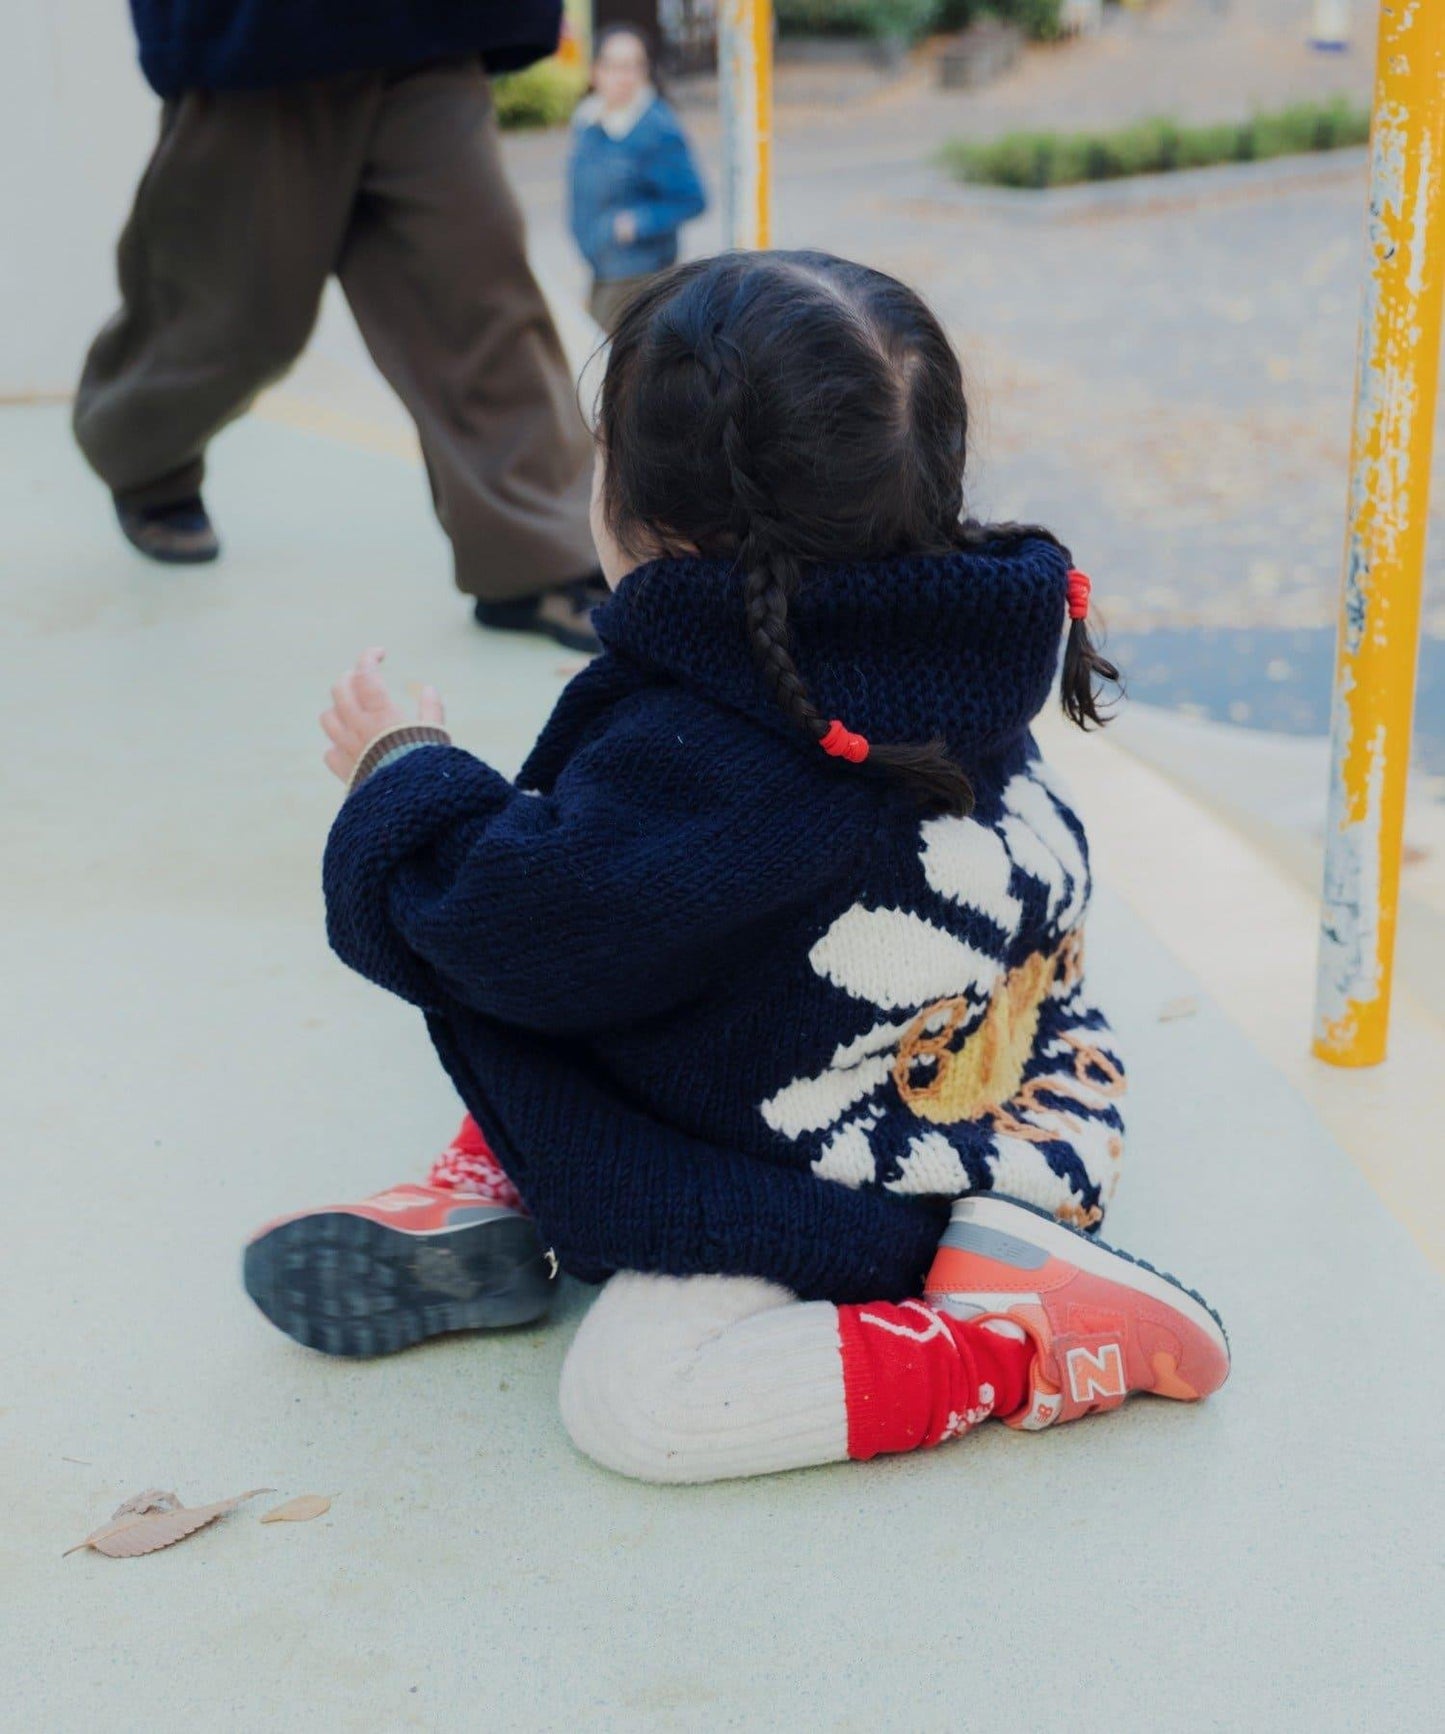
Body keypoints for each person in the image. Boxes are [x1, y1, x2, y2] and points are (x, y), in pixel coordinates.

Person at [244, 251, 1230, 1482]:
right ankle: (505, 1189)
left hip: (882, 1173)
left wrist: (403, 767)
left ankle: (1010, 1335)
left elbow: (509, 923)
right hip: (1009, 1055)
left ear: (649, 525)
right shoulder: (934, 641)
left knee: (639, 1402)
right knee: (608, 973)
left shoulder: (717, 763)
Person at [75, 1, 604, 653]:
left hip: (429, 33)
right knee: (233, 318)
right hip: (256, 40)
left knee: (476, 290)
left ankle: (535, 554)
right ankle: (144, 457)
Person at [568, 26, 706, 334]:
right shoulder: (588, 120)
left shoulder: (657, 128)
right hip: (600, 268)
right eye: (615, 66)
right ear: (596, 71)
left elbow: (693, 199)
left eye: (633, 66)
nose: (624, 77)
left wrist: (637, 223)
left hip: (639, 274)